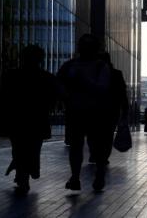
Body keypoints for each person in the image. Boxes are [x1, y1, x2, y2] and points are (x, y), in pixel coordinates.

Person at [0, 45, 58, 194]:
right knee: (33, 147)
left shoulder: (11, 75)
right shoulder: (46, 77)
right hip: (37, 118)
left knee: (18, 147)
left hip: (17, 118)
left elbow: (3, 96)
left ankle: (22, 174)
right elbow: (53, 98)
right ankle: (28, 171)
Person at [58, 34, 112, 192]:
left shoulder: (97, 66)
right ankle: (78, 176)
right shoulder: (75, 65)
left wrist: (81, 81)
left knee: (88, 146)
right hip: (86, 111)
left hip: (90, 111)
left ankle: (91, 176)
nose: (84, 49)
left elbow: (102, 87)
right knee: (82, 146)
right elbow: (59, 83)